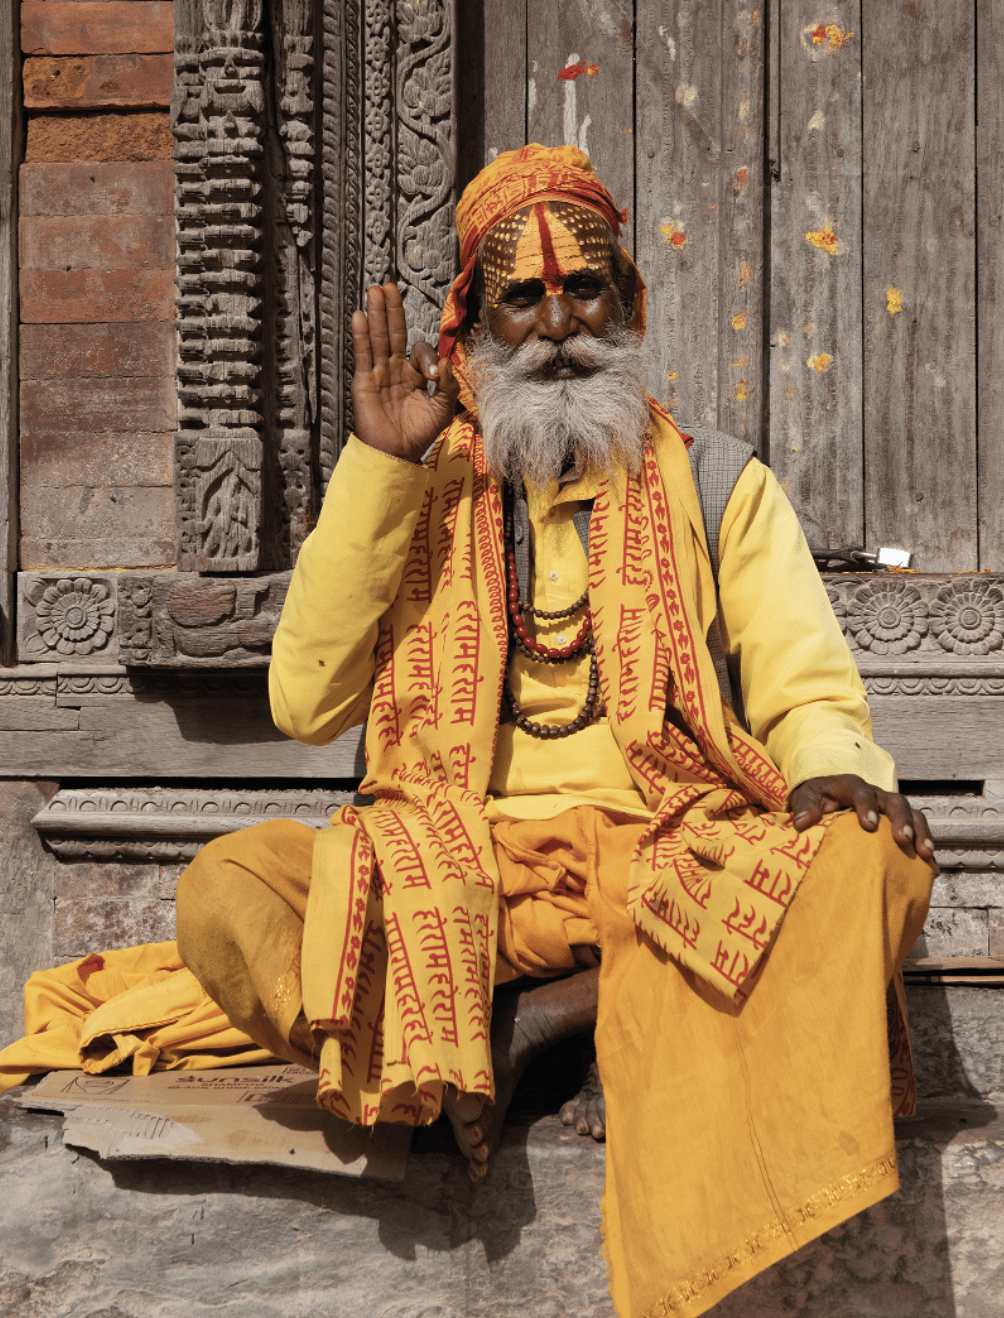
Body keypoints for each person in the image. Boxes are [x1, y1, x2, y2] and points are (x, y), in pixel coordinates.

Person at [9, 144, 937, 1318]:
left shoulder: (714, 483)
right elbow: (302, 703)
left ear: (627, 303)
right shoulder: (418, 484)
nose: (557, 324)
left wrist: (829, 774)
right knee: (228, 894)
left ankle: (546, 1020)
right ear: (475, 323)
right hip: (459, 875)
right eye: (523, 296)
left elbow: (808, 685)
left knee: (875, 863)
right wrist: (377, 469)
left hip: (666, 862)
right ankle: (565, 1014)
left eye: (583, 289)